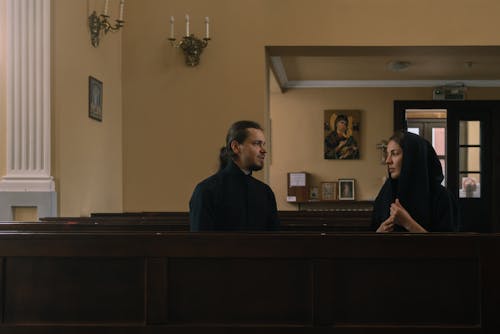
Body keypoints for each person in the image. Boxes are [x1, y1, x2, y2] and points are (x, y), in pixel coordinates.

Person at [189, 120, 279, 231]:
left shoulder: (265, 192)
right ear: (236, 147)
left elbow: (274, 241)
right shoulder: (206, 190)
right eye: (256, 144)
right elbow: (200, 243)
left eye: (263, 144)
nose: (263, 150)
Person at [372, 131, 459, 232]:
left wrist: (408, 223)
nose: (388, 160)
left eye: (394, 154)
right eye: (387, 154)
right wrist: (379, 232)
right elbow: (372, 237)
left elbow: (447, 246)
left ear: (412, 158)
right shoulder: (386, 192)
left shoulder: (442, 197)